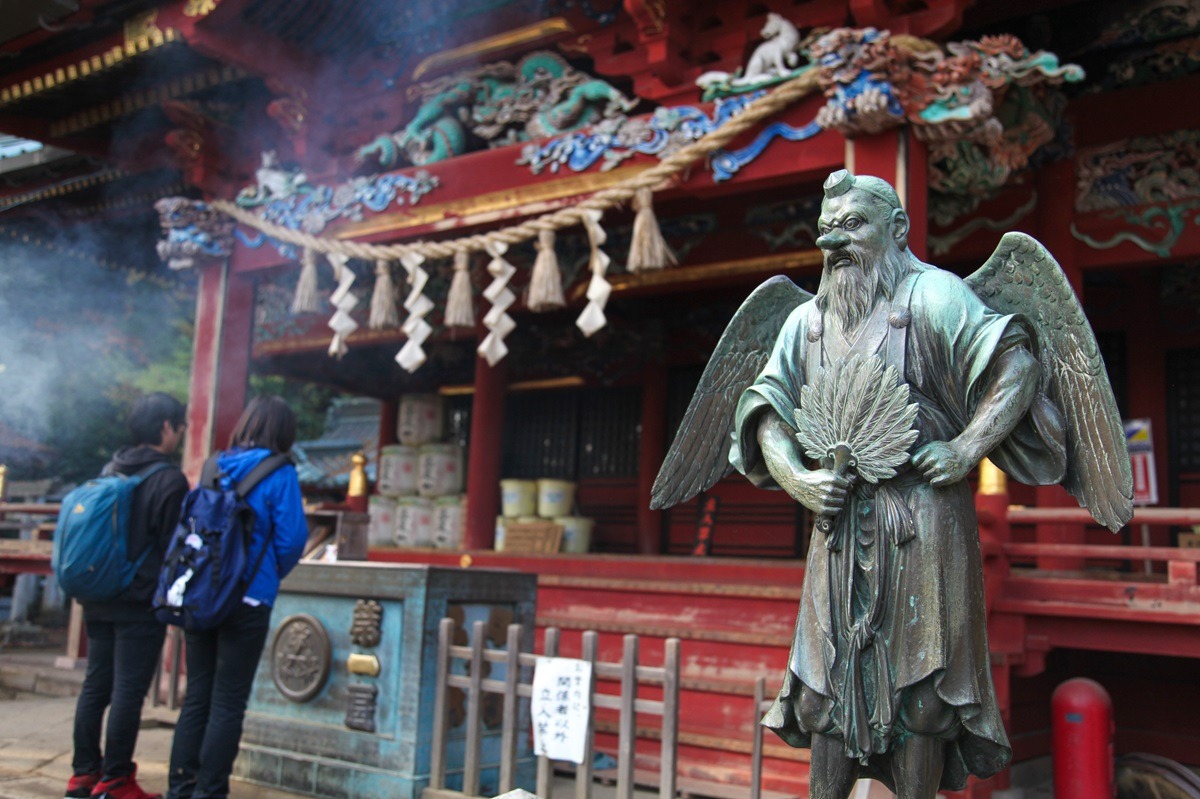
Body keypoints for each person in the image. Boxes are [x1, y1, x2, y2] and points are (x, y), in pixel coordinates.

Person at [728, 171, 1069, 796]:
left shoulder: (935, 297)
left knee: (924, 694)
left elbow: (1017, 365)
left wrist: (967, 448)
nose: (835, 243)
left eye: (853, 226)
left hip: (924, 517)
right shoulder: (805, 323)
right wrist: (799, 479)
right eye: (827, 231)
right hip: (834, 521)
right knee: (823, 691)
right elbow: (766, 414)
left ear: (898, 229)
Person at [166, 395, 308, 799]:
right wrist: (266, 575)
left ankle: (181, 787)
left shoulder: (213, 466)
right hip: (248, 601)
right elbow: (292, 539)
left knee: (197, 696)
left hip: (202, 595)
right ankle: (210, 792)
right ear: (284, 431)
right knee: (228, 702)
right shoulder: (281, 473)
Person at [68, 393, 190, 799]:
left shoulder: (111, 468)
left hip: (98, 594)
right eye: (179, 424)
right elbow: (174, 547)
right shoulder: (168, 479)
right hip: (138, 602)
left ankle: (83, 774)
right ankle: (116, 779)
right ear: (166, 428)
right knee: (128, 691)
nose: (182, 431)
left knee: (96, 685)